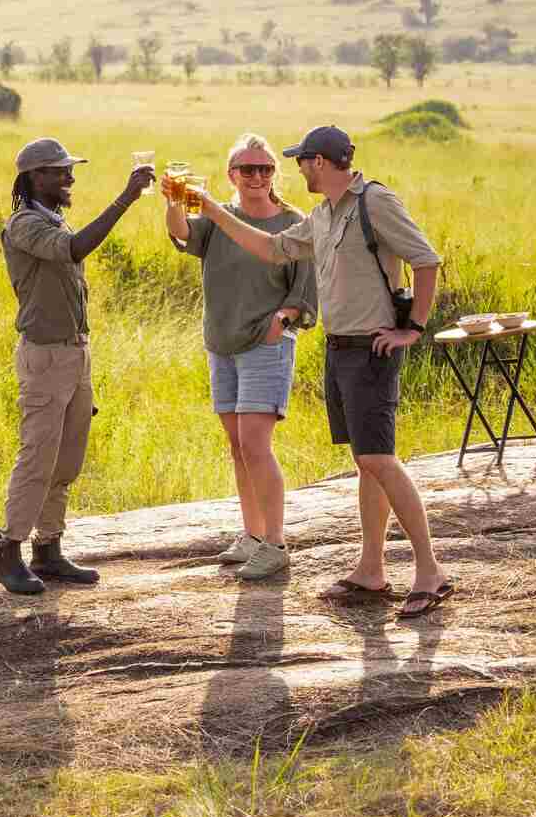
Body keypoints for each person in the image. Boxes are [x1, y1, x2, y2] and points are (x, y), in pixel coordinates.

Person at [191, 126, 454, 617]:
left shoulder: (375, 202)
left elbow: (426, 260)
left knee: (379, 459)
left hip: (372, 349)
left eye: (300, 161)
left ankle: (430, 572)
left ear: (319, 162)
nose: (294, 170)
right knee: (367, 462)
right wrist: (212, 212)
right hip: (340, 348)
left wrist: (413, 328)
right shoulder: (324, 215)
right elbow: (272, 249)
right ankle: (371, 572)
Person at [0, 137, 153, 595]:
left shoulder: (51, 219)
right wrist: (126, 197)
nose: (69, 176)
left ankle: (48, 549)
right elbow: (75, 248)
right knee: (37, 458)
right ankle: (8, 552)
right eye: (60, 170)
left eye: (69, 169)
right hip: (45, 357)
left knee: (67, 459)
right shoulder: (25, 225)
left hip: (75, 353)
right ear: (33, 178)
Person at [167, 134, 316, 580]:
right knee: (237, 447)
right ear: (230, 175)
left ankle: (276, 543)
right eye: (247, 169)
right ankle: (251, 535)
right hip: (221, 343)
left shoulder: (294, 222)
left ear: (275, 174)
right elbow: (181, 234)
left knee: (256, 445)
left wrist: (280, 323)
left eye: (265, 168)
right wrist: (173, 199)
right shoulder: (220, 219)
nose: (256, 176)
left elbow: (304, 295)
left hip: (266, 345)